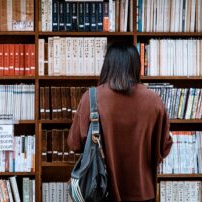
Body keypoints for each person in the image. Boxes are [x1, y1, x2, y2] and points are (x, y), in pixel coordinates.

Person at [67, 43, 173, 202]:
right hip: (143, 193)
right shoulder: (154, 101)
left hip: (100, 191)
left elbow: (74, 144)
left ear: (107, 65)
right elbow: (164, 148)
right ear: (136, 66)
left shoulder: (92, 98)